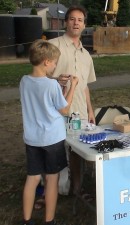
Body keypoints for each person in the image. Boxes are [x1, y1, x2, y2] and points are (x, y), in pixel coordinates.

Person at [20, 39, 78, 225]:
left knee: (33, 177)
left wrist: (58, 87)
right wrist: (72, 87)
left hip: (32, 139)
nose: (54, 66)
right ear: (46, 61)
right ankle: (49, 220)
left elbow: (45, 101)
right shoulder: (51, 85)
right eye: (54, 62)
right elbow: (64, 109)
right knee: (52, 179)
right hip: (52, 140)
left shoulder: (24, 81)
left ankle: (26, 220)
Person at [48, 5, 97, 197]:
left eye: (80, 20)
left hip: (79, 112)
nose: (76, 23)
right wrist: (54, 80)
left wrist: (90, 110)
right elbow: (38, 75)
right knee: (55, 151)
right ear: (66, 22)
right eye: (72, 19)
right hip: (54, 110)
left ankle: (77, 188)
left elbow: (84, 86)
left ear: (84, 25)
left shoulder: (86, 55)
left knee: (77, 151)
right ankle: (54, 190)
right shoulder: (53, 46)